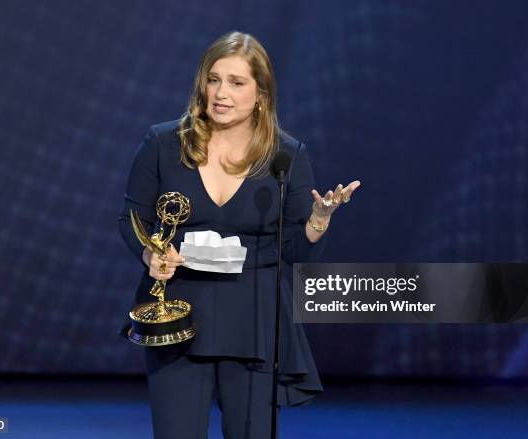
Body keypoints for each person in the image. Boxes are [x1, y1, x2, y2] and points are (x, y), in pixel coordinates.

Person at [117, 31, 360, 439]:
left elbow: (295, 250)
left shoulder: (286, 156)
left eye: (236, 82)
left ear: (261, 94)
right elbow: (132, 220)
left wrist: (318, 219)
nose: (221, 93)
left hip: (253, 321)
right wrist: (150, 255)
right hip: (177, 315)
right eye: (213, 79)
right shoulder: (162, 143)